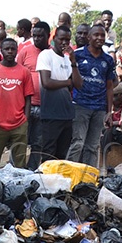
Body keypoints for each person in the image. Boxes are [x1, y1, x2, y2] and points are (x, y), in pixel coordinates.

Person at [68, 25, 117, 167]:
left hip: (99, 108)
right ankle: (68, 176)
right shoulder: (77, 55)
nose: (99, 38)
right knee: (77, 143)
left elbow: (109, 86)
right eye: (96, 35)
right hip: (80, 105)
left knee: (93, 146)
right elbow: (72, 81)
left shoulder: (108, 60)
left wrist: (109, 111)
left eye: (102, 35)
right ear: (89, 37)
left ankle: (88, 178)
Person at [36, 24, 81, 161]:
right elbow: (47, 82)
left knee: (62, 155)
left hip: (67, 114)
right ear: (54, 38)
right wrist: (67, 83)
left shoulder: (68, 60)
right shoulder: (46, 55)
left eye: (67, 40)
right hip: (51, 113)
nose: (64, 43)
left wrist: (73, 62)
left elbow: (78, 84)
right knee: (48, 153)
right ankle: (46, 181)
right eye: (61, 39)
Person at [0, 37, 34, 167]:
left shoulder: (25, 72)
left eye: (13, 49)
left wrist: (25, 119)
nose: (10, 52)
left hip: (19, 123)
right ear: (1, 51)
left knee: (20, 164)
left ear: (17, 51)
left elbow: (28, 97)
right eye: (6, 49)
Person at [17, 22, 49, 169]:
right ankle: (17, 168)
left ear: (48, 36)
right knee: (21, 140)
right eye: (34, 35)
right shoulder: (25, 51)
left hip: (45, 106)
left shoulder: (52, 53)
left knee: (38, 143)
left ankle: (32, 170)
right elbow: (16, 74)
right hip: (26, 105)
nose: (36, 39)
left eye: (40, 36)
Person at [100, 83, 122, 166]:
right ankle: (104, 161)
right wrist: (118, 123)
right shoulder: (106, 105)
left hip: (120, 133)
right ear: (119, 95)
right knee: (109, 131)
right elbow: (103, 123)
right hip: (106, 133)